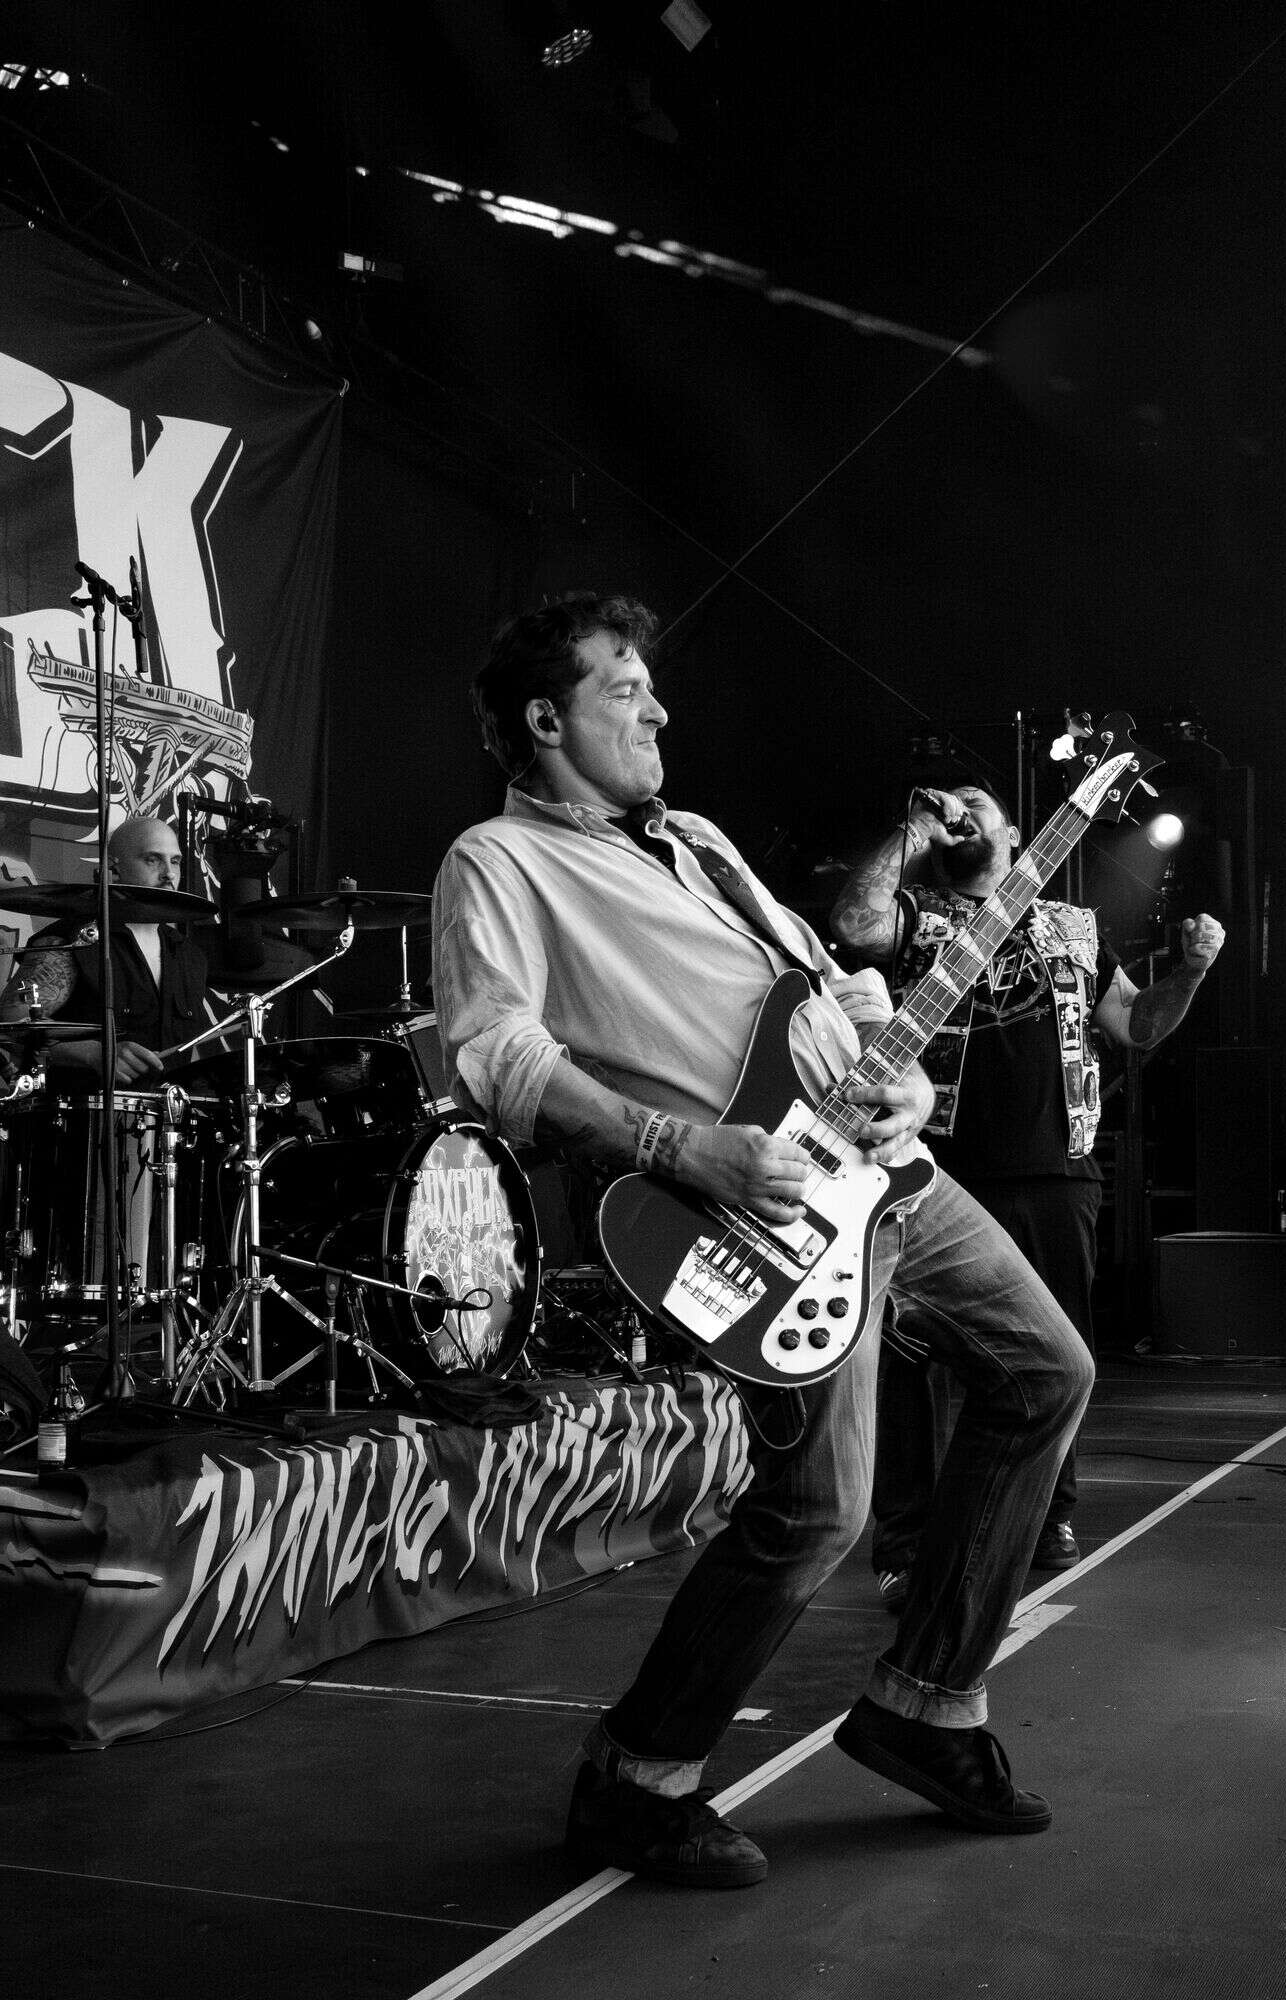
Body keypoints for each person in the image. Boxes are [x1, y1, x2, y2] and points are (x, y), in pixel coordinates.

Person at [433, 591, 1095, 1890]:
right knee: (816, 1510)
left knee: (1045, 1372)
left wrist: (899, 1073)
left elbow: (824, 978)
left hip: (881, 1170)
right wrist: (680, 1148)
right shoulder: (498, 861)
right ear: (545, 719)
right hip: (763, 1206)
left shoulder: (694, 841)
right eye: (625, 687)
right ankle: (636, 1775)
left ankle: (927, 1704)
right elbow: (494, 1052)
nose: (657, 708)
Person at [829, 780, 1225, 1600]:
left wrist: (1190, 971)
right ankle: (905, 1542)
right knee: (910, 1365)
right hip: (930, 1172)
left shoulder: (1072, 926)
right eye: (949, 805)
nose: (959, 811)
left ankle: (1046, 1515)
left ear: (1014, 833)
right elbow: (854, 924)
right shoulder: (913, 914)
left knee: (1055, 1352)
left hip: (1054, 1174)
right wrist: (916, 828)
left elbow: (1136, 1025)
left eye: (975, 801)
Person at [1, 815, 211, 1082]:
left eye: (175, 861)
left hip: (168, 1106)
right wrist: (91, 1053)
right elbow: (9, 1024)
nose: (169, 873)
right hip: (82, 1105)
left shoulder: (189, 955)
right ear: (114, 868)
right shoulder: (76, 940)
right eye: (152, 859)